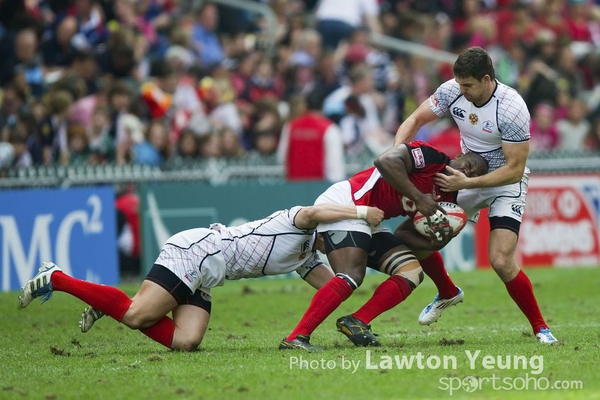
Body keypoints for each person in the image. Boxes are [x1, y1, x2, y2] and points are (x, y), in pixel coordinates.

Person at [18, 203, 384, 352]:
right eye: (342, 238)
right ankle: (56, 277)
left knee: (186, 342)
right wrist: (360, 212)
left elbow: (334, 287)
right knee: (136, 316)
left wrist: (355, 282)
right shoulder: (299, 220)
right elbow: (316, 211)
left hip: (208, 274)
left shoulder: (308, 257)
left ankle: (111, 303)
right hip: (199, 251)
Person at [392, 46, 557, 344]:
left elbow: (515, 170)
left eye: (468, 85)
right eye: (459, 83)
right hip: (466, 174)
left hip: (504, 182)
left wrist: (465, 184)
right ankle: (447, 292)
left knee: (500, 259)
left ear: (486, 79)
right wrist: (394, 157)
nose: (462, 90)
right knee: (414, 236)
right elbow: (414, 120)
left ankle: (540, 328)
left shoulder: (511, 108)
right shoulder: (452, 90)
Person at [280, 141, 489, 349]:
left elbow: (403, 234)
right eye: (469, 165)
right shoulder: (430, 157)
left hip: (370, 220)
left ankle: (357, 321)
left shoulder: (448, 202)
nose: (467, 172)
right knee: (351, 274)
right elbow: (384, 160)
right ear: (458, 157)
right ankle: (296, 337)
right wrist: (419, 198)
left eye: (473, 176)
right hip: (347, 202)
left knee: (412, 272)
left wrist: (434, 243)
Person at [277, 89, 346, 182]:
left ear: (306, 106)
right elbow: (334, 165)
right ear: (323, 107)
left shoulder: (290, 126)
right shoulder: (330, 129)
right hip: (320, 187)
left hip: (294, 185)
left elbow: (282, 157)